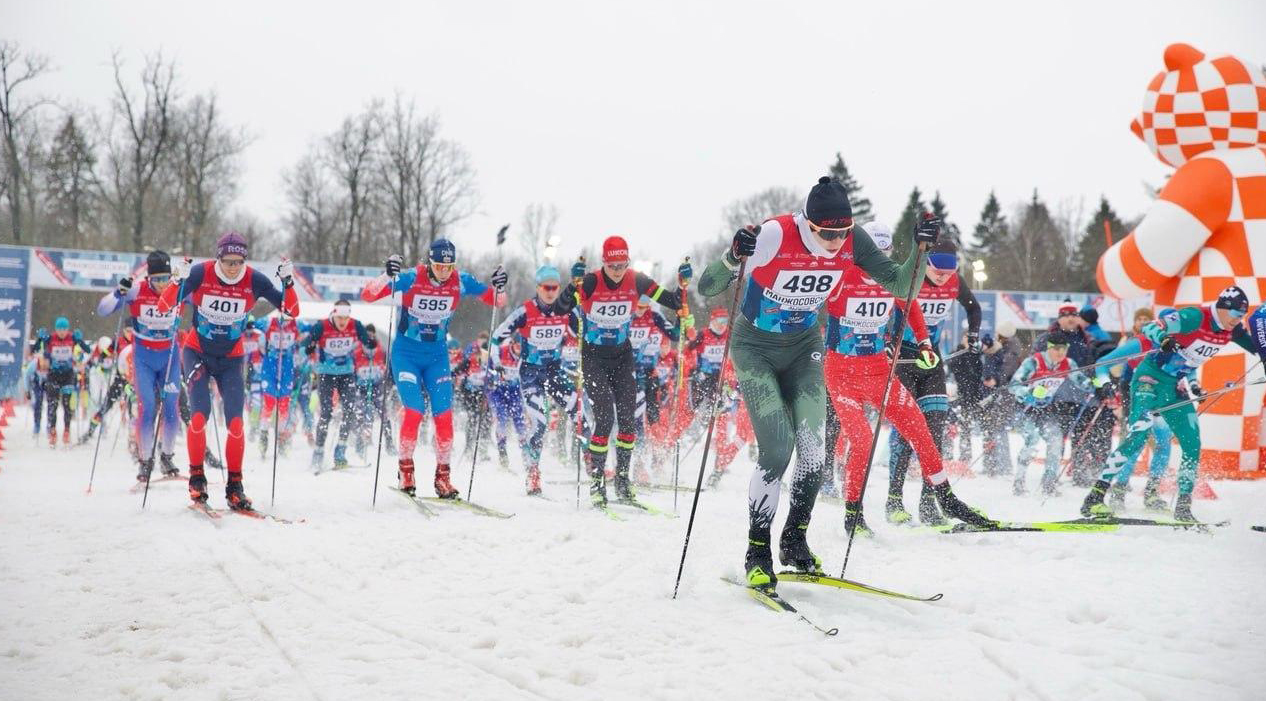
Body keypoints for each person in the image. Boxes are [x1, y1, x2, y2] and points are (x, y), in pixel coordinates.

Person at [696, 176, 988, 589]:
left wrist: (920, 249)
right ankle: (757, 550)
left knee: (815, 451)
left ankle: (794, 541)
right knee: (779, 447)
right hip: (756, 347)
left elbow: (902, 285)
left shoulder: (853, 241)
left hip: (803, 348)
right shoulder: (776, 234)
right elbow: (707, 287)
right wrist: (731, 257)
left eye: (842, 232)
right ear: (808, 223)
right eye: (827, 233)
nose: (836, 242)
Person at [1081, 286, 1256, 522]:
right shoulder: (1195, 316)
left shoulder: (1231, 329)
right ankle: (1095, 497)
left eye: (1241, 316)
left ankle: (1183, 507)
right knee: (1137, 436)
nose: (1238, 320)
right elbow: (1151, 327)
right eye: (1235, 314)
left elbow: (1256, 347)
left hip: (1175, 387)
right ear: (1222, 309)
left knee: (1192, 442)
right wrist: (1162, 338)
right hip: (1149, 380)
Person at [823, 256, 970, 534]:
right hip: (842, 373)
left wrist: (924, 342)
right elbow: (808, 300)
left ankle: (945, 497)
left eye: (883, 253)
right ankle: (853, 512)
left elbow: (911, 307)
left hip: (879, 371)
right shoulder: (843, 274)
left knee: (920, 427)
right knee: (861, 439)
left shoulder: (892, 280)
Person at [158, 232, 299, 510]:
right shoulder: (201, 273)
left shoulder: (254, 280)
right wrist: (177, 280)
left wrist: (289, 283)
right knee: (199, 416)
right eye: (227, 261)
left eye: (238, 261)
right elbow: (164, 305)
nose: (233, 267)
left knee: (236, 423)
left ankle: (235, 485)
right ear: (218, 257)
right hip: (197, 351)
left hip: (232, 358)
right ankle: (197, 477)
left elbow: (290, 310)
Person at [360, 239, 505, 498]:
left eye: (449, 266)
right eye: (439, 266)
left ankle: (443, 478)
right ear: (430, 262)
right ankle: (406, 470)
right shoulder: (412, 278)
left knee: (444, 416)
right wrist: (387, 274)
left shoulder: (460, 281)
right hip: (406, 354)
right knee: (414, 412)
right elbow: (368, 295)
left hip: (437, 357)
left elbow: (498, 301)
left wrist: (499, 286)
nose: (444, 272)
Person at [555, 237, 693, 506]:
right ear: (604, 262)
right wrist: (573, 284)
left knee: (629, 421)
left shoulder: (638, 281)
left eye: (622, 264)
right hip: (594, 357)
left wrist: (682, 285)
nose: (617, 270)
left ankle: (621, 480)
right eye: (612, 265)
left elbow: (673, 301)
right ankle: (596, 482)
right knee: (605, 420)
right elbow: (559, 308)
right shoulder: (592, 282)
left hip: (622, 356)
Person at [886, 237, 984, 525]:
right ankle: (893, 501)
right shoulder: (910, 278)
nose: (942, 275)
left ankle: (929, 504)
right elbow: (881, 308)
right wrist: (886, 341)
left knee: (935, 430)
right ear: (924, 263)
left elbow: (974, 308)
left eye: (948, 270)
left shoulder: (955, 282)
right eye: (936, 269)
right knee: (907, 431)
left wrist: (975, 334)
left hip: (931, 358)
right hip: (903, 356)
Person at [95, 251, 182, 479]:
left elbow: (203, 299)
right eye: (157, 279)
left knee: (172, 409)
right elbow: (103, 309)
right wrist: (118, 292)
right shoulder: (137, 290)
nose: (162, 284)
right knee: (147, 408)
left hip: (170, 358)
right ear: (149, 278)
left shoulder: (178, 288)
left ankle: (167, 456)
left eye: (166, 278)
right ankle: (145, 460)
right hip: (144, 359)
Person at [491, 265, 577, 494]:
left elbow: (582, 331)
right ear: (538, 288)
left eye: (555, 288)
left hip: (555, 371)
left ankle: (591, 463)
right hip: (531, 374)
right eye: (546, 287)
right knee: (540, 424)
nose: (550, 292)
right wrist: (495, 363)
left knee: (579, 414)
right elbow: (495, 337)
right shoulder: (525, 311)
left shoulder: (566, 310)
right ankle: (533, 472)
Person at [1007, 330, 1093, 496]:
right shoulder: (1034, 362)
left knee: (1056, 442)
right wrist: (1030, 391)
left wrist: (1095, 384)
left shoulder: (1068, 363)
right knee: (1031, 441)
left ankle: (1049, 483)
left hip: (1046, 409)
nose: (1061, 353)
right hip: (1026, 408)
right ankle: (1019, 482)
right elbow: (1013, 386)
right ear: (1049, 348)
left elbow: (1082, 381)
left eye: (1064, 349)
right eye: (1057, 349)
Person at [304, 299, 377, 471]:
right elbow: (308, 342)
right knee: (327, 412)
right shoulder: (321, 326)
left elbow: (367, 341)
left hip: (347, 373)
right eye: (340, 318)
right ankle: (319, 451)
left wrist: (370, 343)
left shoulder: (356, 325)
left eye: (346, 317)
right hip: (326, 374)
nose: (343, 322)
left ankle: (340, 451)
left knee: (349, 411)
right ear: (334, 314)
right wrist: (309, 346)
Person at [34, 317, 93, 446]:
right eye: (59, 329)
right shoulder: (50, 338)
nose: (62, 332)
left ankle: (67, 431)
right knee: (52, 405)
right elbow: (35, 349)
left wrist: (80, 341)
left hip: (68, 375)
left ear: (68, 329)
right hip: (53, 375)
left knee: (67, 404)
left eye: (64, 329)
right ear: (56, 329)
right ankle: (53, 431)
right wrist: (39, 339)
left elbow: (88, 351)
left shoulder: (72, 338)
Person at [255, 312, 302, 458]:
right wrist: (250, 323)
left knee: (284, 403)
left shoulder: (297, 324)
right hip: (270, 364)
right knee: (269, 402)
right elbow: (252, 321)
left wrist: (308, 343)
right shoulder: (269, 321)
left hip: (287, 365)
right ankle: (264, 434)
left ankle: (282, 438)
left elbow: (312, 330)